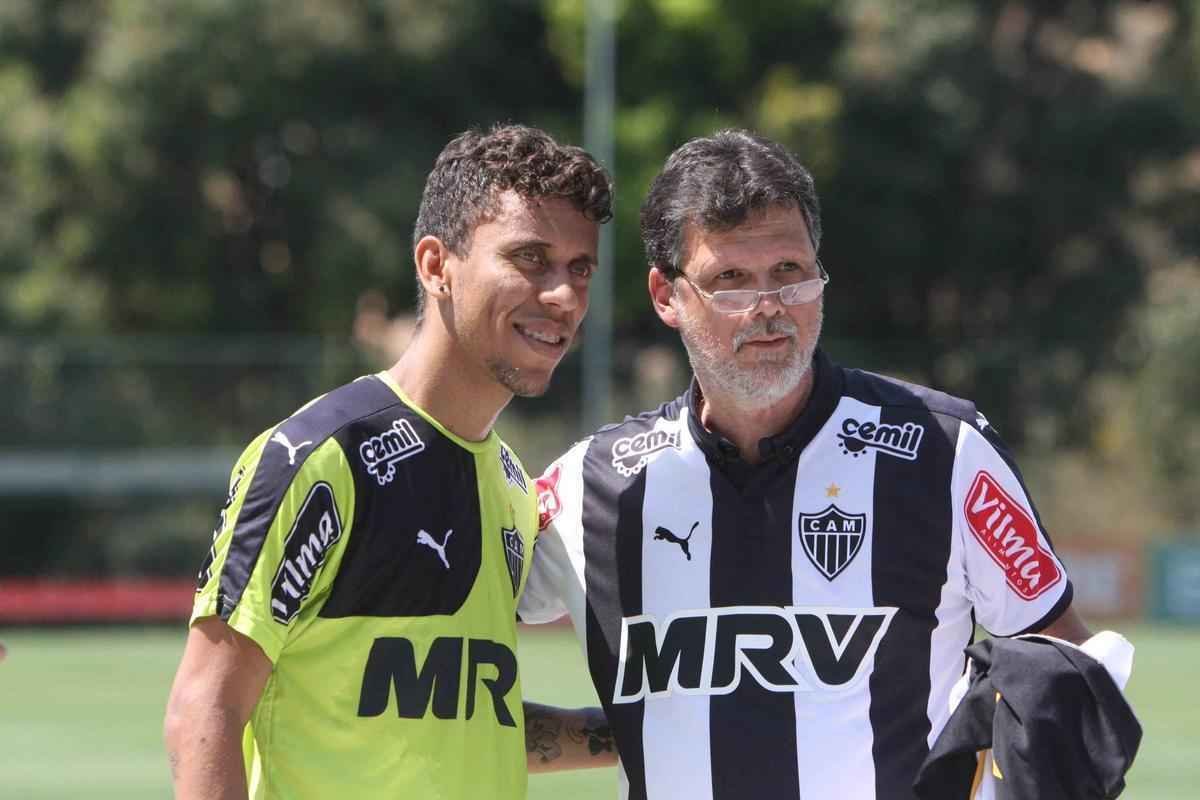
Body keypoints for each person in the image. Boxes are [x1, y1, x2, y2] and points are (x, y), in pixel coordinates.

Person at [519, 129, 1129, 799]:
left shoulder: (942, 450)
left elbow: (1064, 666)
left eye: (790, 272)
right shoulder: (591, 486)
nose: (769, 308)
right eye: (730, 280)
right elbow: (455, 658)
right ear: (666, 296)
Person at [164, 123, 613, 800]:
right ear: (435, 265)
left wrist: (653, 721)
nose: (564, 296)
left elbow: (466, 730)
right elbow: (204, 710)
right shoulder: (323, 458)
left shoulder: (515, 487)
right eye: (530, 258)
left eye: (581, 269)